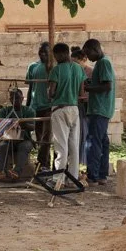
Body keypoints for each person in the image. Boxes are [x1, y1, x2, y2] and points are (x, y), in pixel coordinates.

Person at [47, 42, 86, 182]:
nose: (55, 58)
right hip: (74, 108)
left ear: (61, 54)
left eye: (55, 55)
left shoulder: (56, 70)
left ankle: (58, 179)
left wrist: (51, 93)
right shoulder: (79, 69)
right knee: (74, 145)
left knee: (61, 146)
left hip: (59, 109)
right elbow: (81, 92)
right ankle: (73, 178)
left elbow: (51, 93)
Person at [83, 39, 116, 186]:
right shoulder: (102, 63)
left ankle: (93, 176)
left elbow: (107, 86)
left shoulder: (103, 62)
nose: (88, 58)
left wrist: (88, 89)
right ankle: (102, 175)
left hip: (99, 108)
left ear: (94, 49)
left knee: (93, 142)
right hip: (102, 108)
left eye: (88, 53)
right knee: (103, 142)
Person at [0, 88, 36, 181]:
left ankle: (16, 172)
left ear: (22, 98)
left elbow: (32, 127)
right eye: (12, 98)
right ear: (9, 100)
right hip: (8, 140)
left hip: (25, 140)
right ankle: (0, 172)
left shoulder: (29, 111)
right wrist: (5, 124)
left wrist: (21, 123)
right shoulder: (4, 111)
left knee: (24, 147)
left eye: (17, 98)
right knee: (2, 146)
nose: (15, 100)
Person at [26, 42, 52, 170]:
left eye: (45, 52)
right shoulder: (33, 67)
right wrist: (27, 106)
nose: (43, 54)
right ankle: (44, 163)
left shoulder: (53, 67)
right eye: (41, 52)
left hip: (49, 106)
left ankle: (44, 163)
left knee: (46, 137)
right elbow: (31, 87)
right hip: (35, 106)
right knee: (39, 136)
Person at [71, 47, 93, 164]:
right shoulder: (74, 71)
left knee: (85, 133)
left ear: (84, 59)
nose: (74, 64)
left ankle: (85, 161)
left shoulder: (90, 72)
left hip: (86, 105)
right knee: (77, 134)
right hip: (76, 105)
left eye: (76, 62)